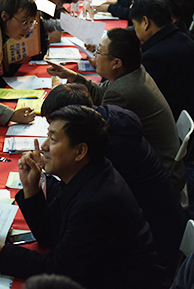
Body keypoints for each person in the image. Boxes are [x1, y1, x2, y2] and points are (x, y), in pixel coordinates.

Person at [0, 105, 162, 289]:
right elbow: (49, 235)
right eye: (48, 136)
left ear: (80, 152)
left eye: (53, 140)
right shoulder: (86, 174)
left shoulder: (95, 201)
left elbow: (59, 270)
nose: (44, 146)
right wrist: (31, 188)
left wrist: (1, 251)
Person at [40, 84, 186, 281]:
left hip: (157, 237)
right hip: (146, 233)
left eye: (54, 137)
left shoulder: (105, 161)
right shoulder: (107, 130)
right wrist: (35, 186)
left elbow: (62, 267)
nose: (44, 145)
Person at [46, 28, 183, 188]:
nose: (94, 56)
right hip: (161, 159)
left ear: (117, 63)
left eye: (99, 52)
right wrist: (72, 76)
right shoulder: (133, 73)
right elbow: (99, 92)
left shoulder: (121, 92)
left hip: (160, 174)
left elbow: (97, 138)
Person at [129, 0, 194, 153]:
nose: (135, 31)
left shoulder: (156, 56)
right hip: (189, 123)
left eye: (135, 26)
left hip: (169, 138)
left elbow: (134, 95)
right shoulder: (182, 38)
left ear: (145, 22)